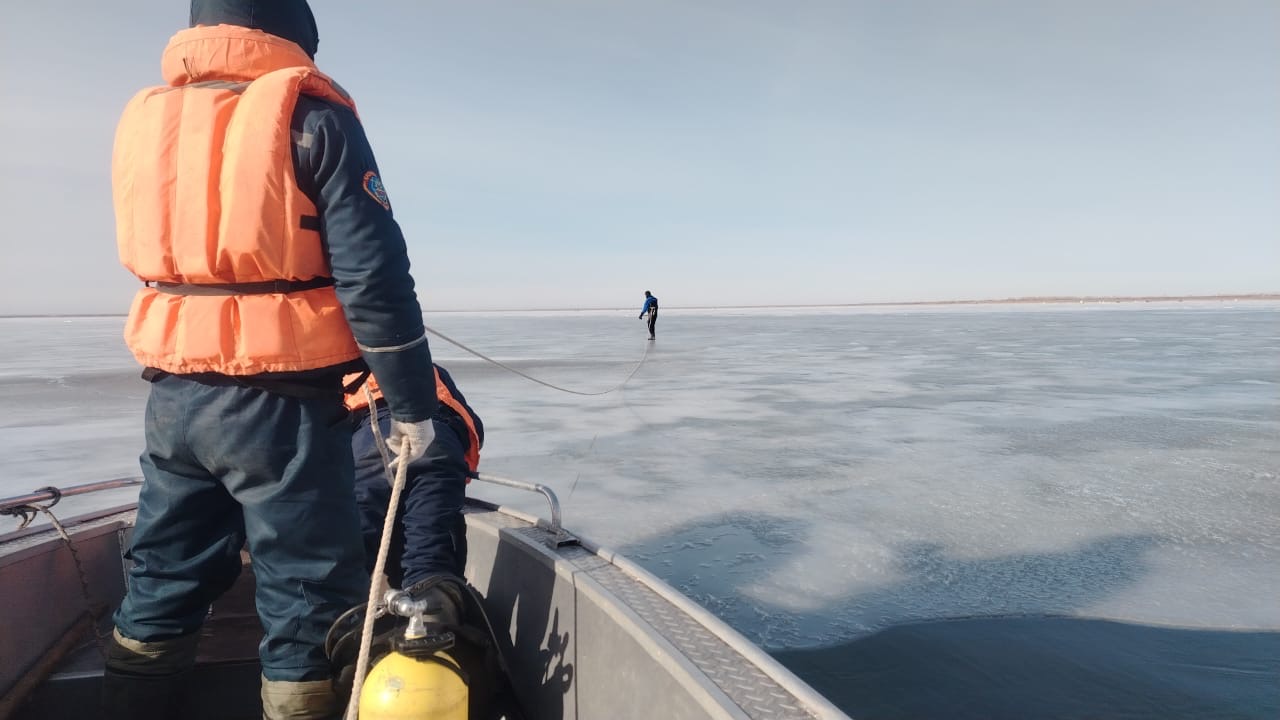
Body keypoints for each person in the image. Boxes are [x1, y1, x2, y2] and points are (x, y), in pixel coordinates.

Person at [105, 2, 440, 718]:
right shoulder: (312, 118)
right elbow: (373, 276)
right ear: (293, 35)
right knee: (308, 592)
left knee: (162, 572)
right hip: (278, 408)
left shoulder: (149, 120)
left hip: (173, 398)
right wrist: (412, 403)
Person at [345, 365, 483, 594]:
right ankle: (431, 612)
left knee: (356, 544)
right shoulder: (430, 369)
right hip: (437, 439)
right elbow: (473, 426)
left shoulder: (339, 374)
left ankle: (340, 614)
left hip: (372, 441)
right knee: (431, 553)